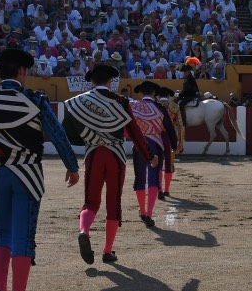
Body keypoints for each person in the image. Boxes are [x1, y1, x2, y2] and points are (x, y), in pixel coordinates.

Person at [0, 49, 79, 291]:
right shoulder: (34, 100)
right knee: (23, 237)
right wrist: (72, 166)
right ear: (21, 71)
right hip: (27, 175)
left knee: (0, 233)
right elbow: (57, 134)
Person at [63, 64, 156, 265]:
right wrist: (149, 155)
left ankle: (84, 231)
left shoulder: (80, 101)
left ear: (91, 81)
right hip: (115, 155)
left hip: (94, 154)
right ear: (110, 82)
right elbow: (134, 132)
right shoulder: (121, 101)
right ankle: (107, 251)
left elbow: (67, 132)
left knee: (91, 201)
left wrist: (87, 139)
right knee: (113, 203)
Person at [130, 81, 179, 226]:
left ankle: (142, 211)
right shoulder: (160, 107)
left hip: (139, 145)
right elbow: (170, 128)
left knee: (139, 178)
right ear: (154, 93)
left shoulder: (133, 106)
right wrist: (174, 145)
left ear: (140, 93)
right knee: (153, 178)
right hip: (156, 145)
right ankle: (149, 214)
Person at [156, 87, 184, 199]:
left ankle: (159, 189)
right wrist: (181, 141)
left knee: (156, 163)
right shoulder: (175, 107)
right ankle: (166, 190)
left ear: (157, 96)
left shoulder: (153, 105)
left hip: (155, 137)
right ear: (168, 96)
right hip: (169, 137)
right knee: (169, 163)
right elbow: (180, 126)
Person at [176, 62, 200, 126]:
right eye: (184, 72)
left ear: (189, 71)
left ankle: (183, 121)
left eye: (186, 71)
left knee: (180, 104)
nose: (185, 73)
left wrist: (180, 95)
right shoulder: (188, 78)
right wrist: (180, 93)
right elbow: (185, 89)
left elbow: (187, 90)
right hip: (189, 94)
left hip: (190, 95)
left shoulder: (190, 79)